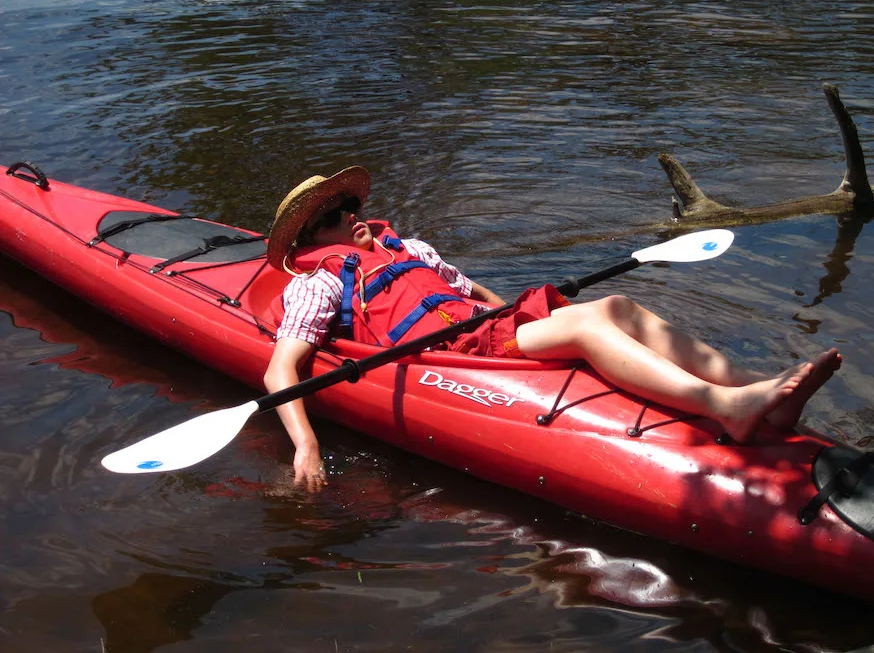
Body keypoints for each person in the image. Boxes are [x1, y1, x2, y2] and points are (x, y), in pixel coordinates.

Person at [263, 167, 842, 488]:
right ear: (312, 241)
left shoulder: (406, 247)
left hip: (481, 329)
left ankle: (758, 389)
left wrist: (516, 309)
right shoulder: (320, 283)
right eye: (334, 217)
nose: (352, 216)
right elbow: (280, 369)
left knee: (613, 304)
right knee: (586, 331)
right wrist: (307, 444)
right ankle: (724, 405)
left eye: (348, 205)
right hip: (451, 354)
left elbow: (470, 293)